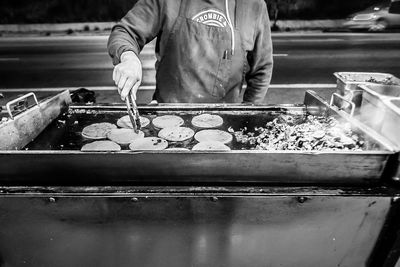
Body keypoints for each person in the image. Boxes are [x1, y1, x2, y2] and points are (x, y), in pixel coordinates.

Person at [108, 0, 273, 104]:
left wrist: (248, 113)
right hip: (169, 118)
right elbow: (125, 32)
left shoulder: (254, 6)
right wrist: (129, 58)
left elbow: (262, 69)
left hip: (226, 123)